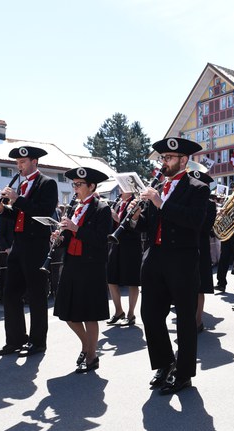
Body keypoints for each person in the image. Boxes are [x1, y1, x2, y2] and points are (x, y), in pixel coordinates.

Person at [129, 137, 209, 395]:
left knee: (185, 318)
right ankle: (164, 363)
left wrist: (160, 203)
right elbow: (150, 226)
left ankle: (184, 373)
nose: (163, 163)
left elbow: (195, 221)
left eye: (168, 158)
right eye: (162, 158)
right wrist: (134, 217)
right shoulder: (159, 187)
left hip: (182, 259)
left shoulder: (197, 187)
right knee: (150, 315)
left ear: (183, 160)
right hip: (154, 257)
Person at [0, 146, 58, 357]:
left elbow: (42, 212)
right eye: (18, 162)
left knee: (37, 295)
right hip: (19, 244)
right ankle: (15, 339)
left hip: (36, 245)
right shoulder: (21, 185)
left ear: (34, 162)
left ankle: (38, 341)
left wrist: (17, 199)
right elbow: (20, 215)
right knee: (10, 294)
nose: (19, 166)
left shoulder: (47, 183)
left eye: (23, 162)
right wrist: (4, 210)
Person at [53, 167, 112, 373]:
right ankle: (88, 346)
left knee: (90, 314)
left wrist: (76, 229)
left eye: (79, 185)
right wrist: (59, 238)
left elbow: (100, 240)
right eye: (74, 184)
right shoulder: (74, 208)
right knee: (68, 313)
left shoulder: (102, 208)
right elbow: (69, 238)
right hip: (72, 264)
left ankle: (92, 355)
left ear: (91, 186)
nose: (75, 188)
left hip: (91, 266)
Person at [107, 189, 142, 327]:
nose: (120, 191)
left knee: (132, 281)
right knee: (111, 278)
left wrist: (116, 217)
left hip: (131, 245)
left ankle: (131, 313)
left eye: (123, 188)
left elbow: (135, 224)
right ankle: (118, 311)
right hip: (115, 245)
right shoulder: (118, 203)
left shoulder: (137, 202)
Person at [193, 170, 216, 332]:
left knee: (199, 286)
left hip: (201, 246)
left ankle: (198, 320)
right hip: (184, 248)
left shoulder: (210, 204)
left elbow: (205, 227)